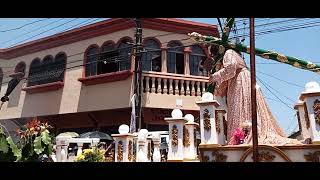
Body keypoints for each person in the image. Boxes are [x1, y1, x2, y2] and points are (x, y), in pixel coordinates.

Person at [208, 45, 301, 145]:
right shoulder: (232, 55)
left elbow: (230, 69)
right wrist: (217, 88)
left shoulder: (229, 52)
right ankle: (242, 136)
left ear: (220, 50)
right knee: (241, 107)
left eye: (214, 54)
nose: (215, 58)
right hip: (239, 81)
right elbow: (227, 77)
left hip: (240, 81)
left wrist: (214, 76)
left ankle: (244, 136)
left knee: (241, 106)